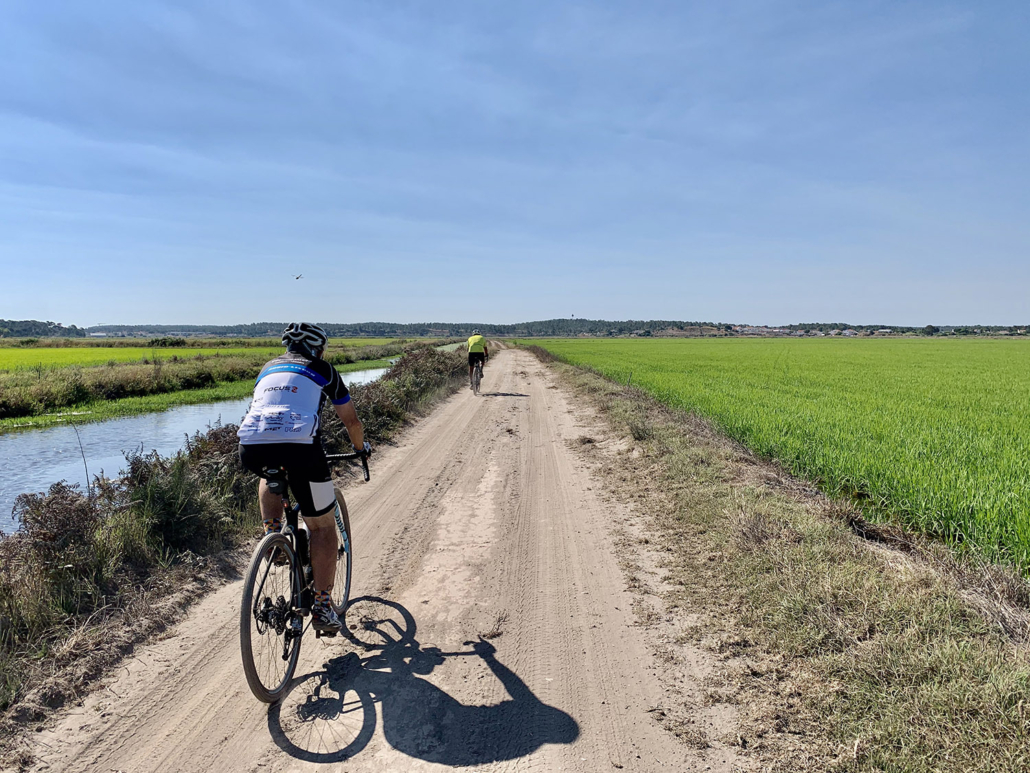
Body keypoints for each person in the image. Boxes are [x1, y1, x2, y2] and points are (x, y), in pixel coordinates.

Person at [237, 322, 370, 632]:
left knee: (268, 470)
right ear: (318, 348)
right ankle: (323, 607)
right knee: (322, 527)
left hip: (251, 447)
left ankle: (273, 536)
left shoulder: (267, 368)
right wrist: (361, 449)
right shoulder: (323, 369)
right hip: (300, 450)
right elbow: (351, 420)